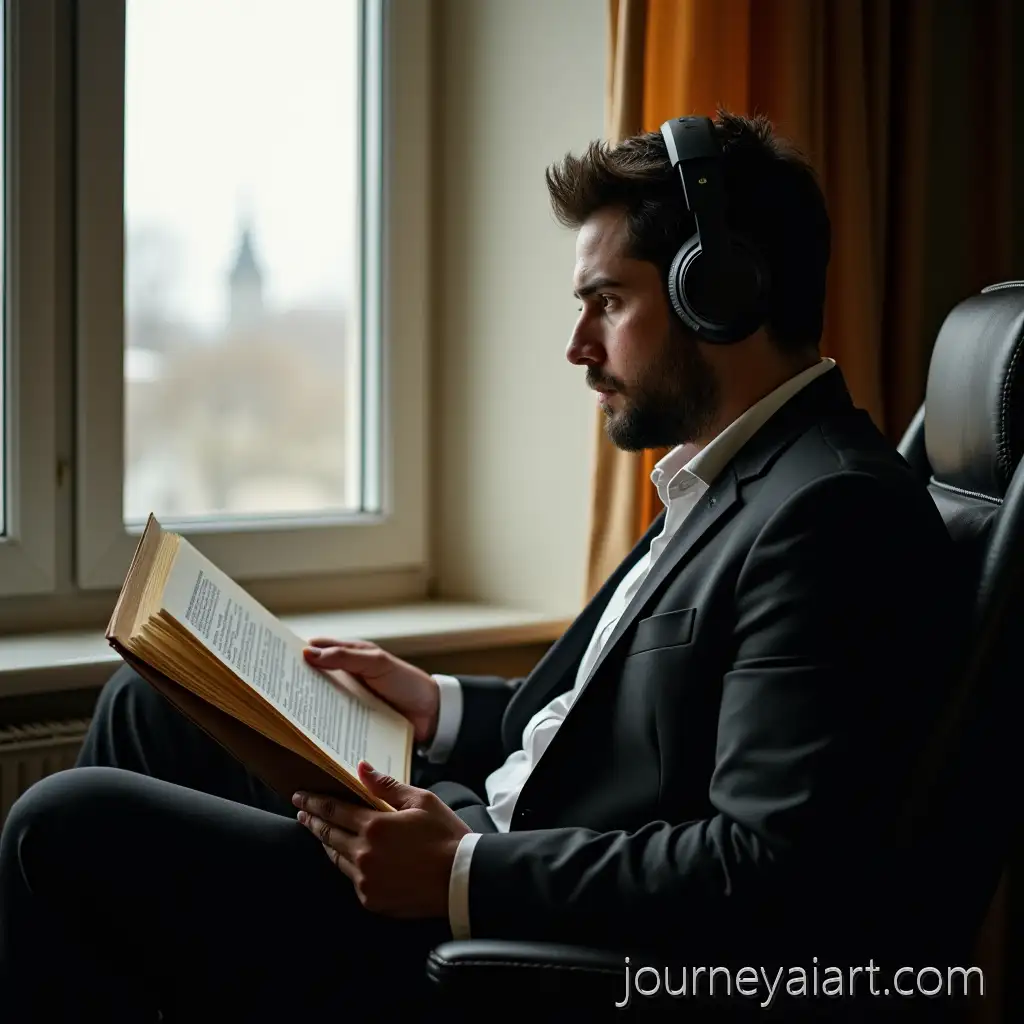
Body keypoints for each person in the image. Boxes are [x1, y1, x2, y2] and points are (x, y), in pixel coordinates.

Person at [0, 110, 958, 1021]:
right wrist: (439, 706)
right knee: (150, 705)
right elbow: (624, 725)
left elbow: (762, 864)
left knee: (62, 821)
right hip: (485, 827)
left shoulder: (831, 514)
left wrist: (459, 873)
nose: (578, 347)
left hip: (505, 934)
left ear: (722, 296)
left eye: (607, 303)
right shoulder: (735, 474)